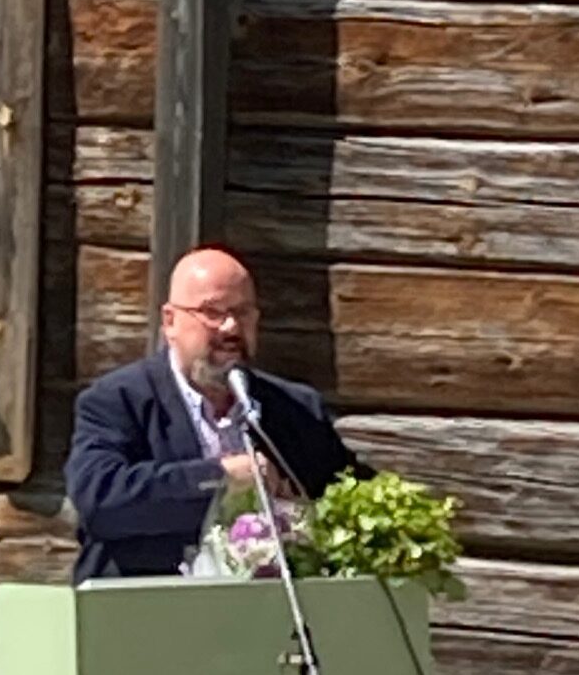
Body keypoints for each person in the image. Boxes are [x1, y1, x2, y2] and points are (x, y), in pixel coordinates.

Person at [63, 245, 367, 582]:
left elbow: (354, 497)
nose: (230, 328)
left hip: (268, 610)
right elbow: (100, 501)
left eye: (243, 312)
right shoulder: (118, 400)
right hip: (147, 606)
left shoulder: (295, 408)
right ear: (170, 321)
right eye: (212, 312)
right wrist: (222, 478)